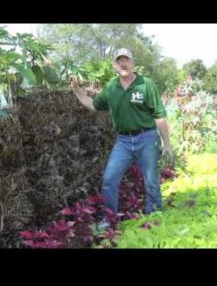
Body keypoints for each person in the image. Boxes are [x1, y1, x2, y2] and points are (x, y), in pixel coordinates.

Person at [70, 48, 173, 226]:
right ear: (114, 65)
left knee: (151, 180)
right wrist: (77, 90)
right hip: (123, 141)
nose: (123, 64)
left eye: (126, 60)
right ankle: (109, 219)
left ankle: (154, 217)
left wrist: (167, 144)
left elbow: (159, 116)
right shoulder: (111, 87)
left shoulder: (146, 84)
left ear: (133, 63)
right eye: (119, 61)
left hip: (147, 138)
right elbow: (93, 105)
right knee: (110, 179)